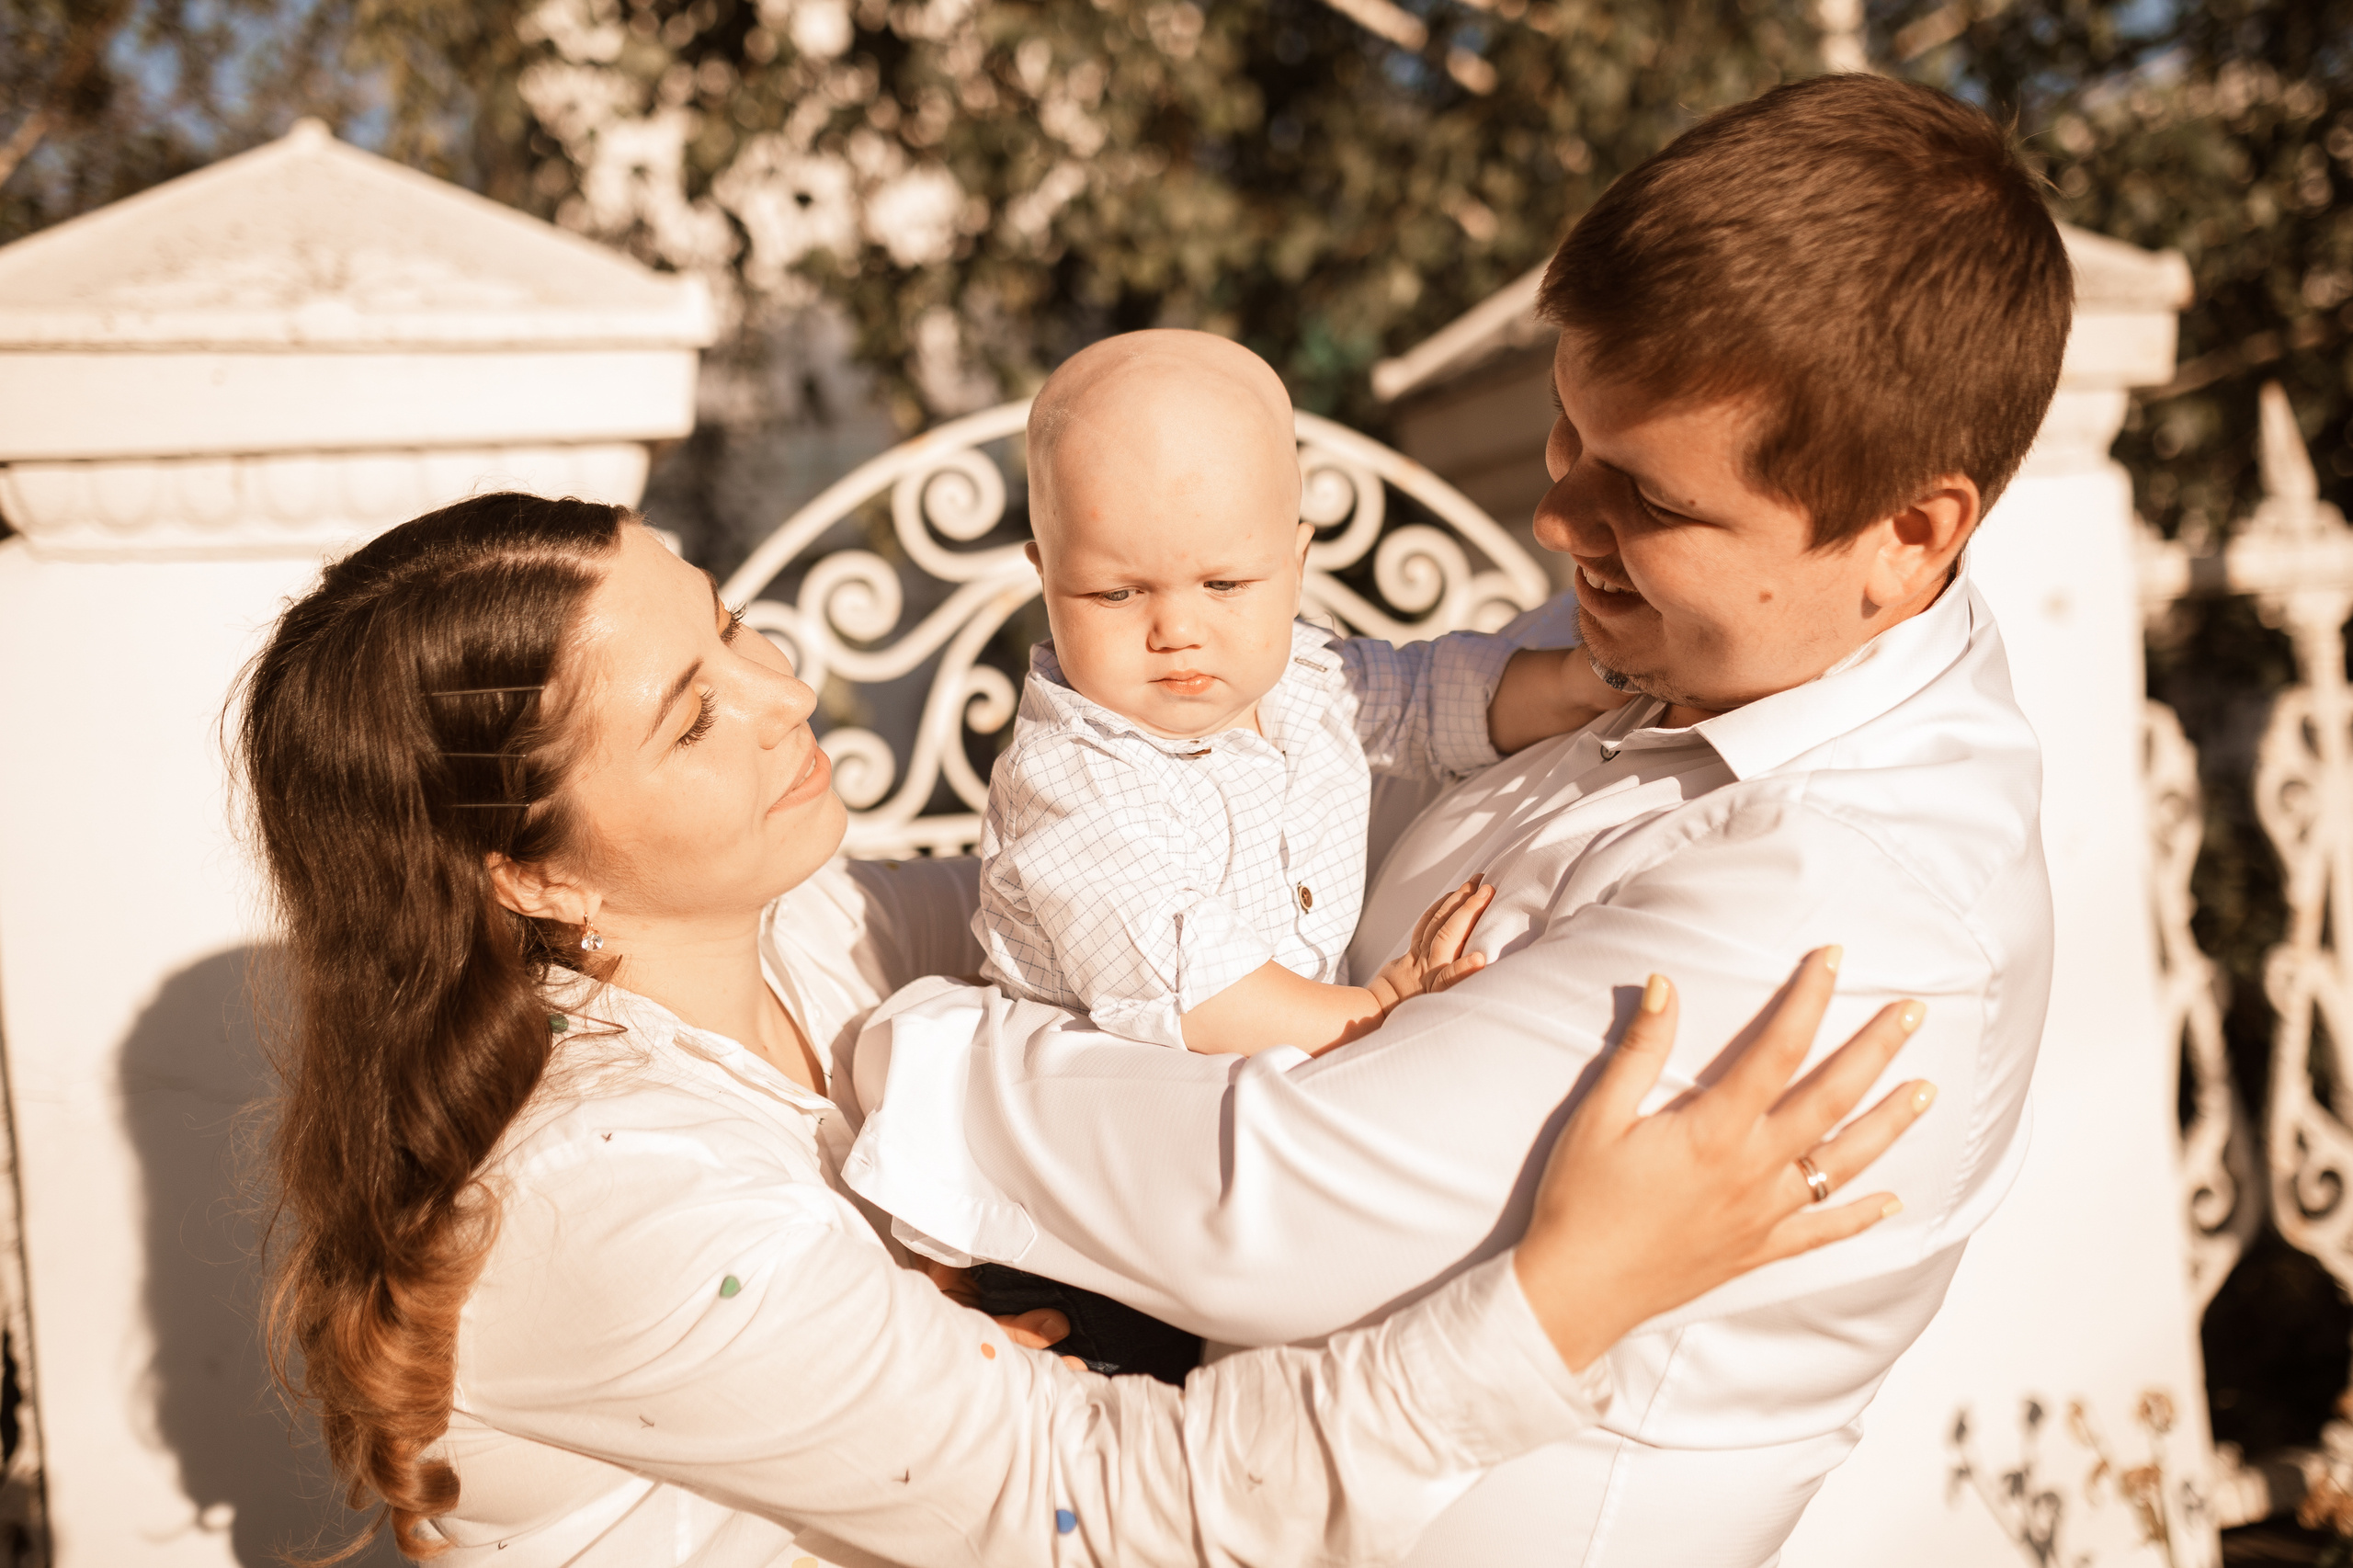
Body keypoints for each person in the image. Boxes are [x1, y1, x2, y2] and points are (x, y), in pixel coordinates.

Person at [842, 71, 2069, 1567]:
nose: (1561, 524)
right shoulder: (1689, 642)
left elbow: (1270, 1210)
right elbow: (1207, 807)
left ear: (1910, 534)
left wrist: (887, 1047)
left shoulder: (1849, 912)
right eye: (1565, 437)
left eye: (1644, 496)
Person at [239, 493, 1933, 1568]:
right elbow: (1111, 1509)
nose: (787, 689)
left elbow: (1130, 964)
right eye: (694, 715)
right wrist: (1571, 1292)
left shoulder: (821, 937)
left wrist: (1349, 1023)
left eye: (735, 628)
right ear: (528, 873)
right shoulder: (601, 1198)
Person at [981, 328, 1621, 1059]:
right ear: (1046, 577)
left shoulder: (1310, 679)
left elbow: (1431, 699)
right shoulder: (1073, 777)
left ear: (1295, 563)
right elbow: (1196, 989)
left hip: (1279, 1062)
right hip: (1116, 1089)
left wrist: (1574, 685)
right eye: (1116, 592)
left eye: (1225, 584)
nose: (1178, 629)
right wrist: (1377, 1008)